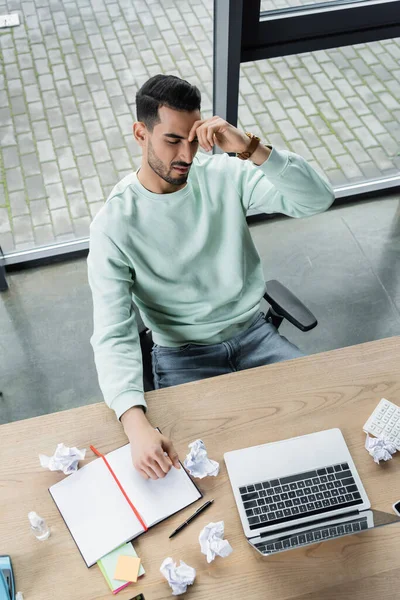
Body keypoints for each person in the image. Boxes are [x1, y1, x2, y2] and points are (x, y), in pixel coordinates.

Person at [87, 74, 334, 481]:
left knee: (323, 426)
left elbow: (317, 198)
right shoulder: (114, 225)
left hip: (255, 335)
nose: (186, 154)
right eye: (172, 140)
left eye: (192, 138)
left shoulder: (224, 174)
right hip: (184, 356)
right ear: (140, 133)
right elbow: (113, 333)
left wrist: (252, 149)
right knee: (208, 475)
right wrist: (135, 425)